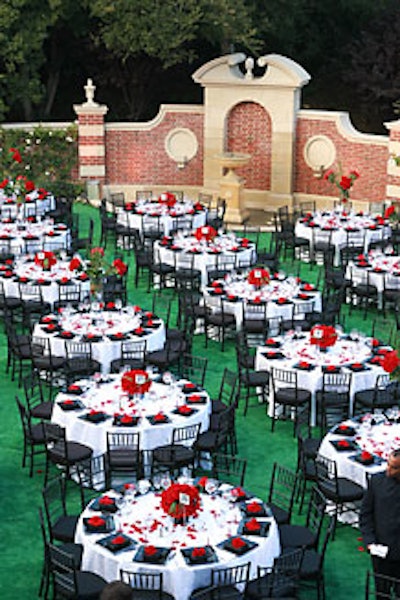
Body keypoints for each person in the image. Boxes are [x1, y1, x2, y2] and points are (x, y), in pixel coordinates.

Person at [360, 448, 400, 598]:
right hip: (381, 553)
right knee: (381, 593)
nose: (388, 470)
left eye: (394, 467)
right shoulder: (376, 481)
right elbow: (365, 515)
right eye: (388, 464)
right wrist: (370, 542)